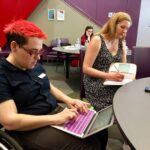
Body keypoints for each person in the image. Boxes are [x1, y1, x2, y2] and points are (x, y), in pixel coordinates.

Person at [0, 20, 106, 150]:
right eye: (33, 52)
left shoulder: (34, 65)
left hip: (54, 114)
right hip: (29, 128)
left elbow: (47, 85)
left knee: (99, 131)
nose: (38, 58)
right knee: (90, 146)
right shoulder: (3, 75)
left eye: (40, 52)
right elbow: (10, 121)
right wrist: (55, 119)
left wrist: (69, 99)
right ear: (14, 46)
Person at [83, 12, 132, 147]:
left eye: (127, 28)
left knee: (129, 101)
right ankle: (99, 137)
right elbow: (86, 68)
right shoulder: (98, 40)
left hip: (112, 81)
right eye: (122, 27)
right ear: (113, 24)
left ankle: (127, 142)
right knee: (108, 110)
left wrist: (123, 50)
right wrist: (109, 76)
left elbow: (122, 67)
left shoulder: (120, 41)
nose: (125, 31)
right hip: (96, 83)